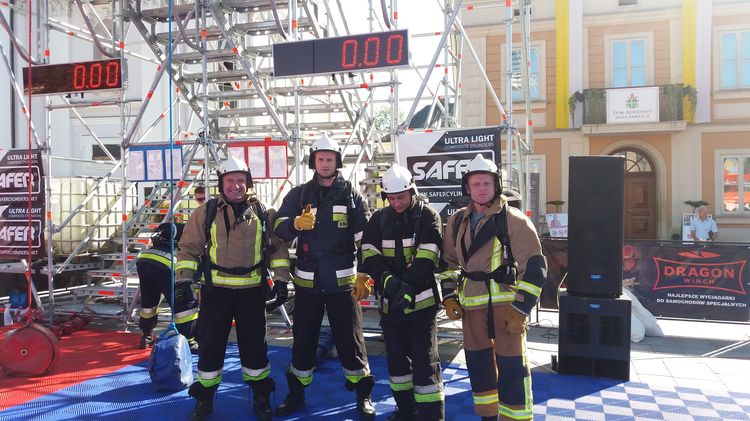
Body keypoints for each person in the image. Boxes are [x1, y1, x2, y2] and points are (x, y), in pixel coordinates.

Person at [175, 156, 291, 421]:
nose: (236, 186)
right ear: (221, 183)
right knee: (210, 346)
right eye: (230, 181)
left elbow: (278, 250)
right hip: (215, 293)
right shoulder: (206, 212)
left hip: (252, 293)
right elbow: (189, 248)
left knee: (255, 348)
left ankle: (261, 397)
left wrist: (282, 281)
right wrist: (183, 280)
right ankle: (204, 399)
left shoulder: (264, 212)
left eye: (241, 180)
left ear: (248, 183)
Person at [273, 134, 376, 420]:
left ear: (337, 161)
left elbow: (364, 239)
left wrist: (365, 273)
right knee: (303, 341)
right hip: (307, 285)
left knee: (351, 341)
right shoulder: (299, 194)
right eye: (321, 159)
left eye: (330, 159)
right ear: (314, 162)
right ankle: (296, 393)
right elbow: (279, 231)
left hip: (343, 285)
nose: (326, 163)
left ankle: (362, 394)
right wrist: (294, 223)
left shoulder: (350, 195)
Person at [438, 154, 547, 421]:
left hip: (505, 308)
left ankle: (516, 417)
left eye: (486, 183)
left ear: (495, 185)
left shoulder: (514, 220)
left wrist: (520, 309)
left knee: (511, 366)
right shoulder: (456, 222)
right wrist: (450, 296)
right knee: (478, 366)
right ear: (467, 188)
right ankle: (488, 415)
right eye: (476, 184)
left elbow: (535, 267)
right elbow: (448, 263)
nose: (482, 188)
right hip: (471, 307)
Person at [361, 164, 445, 421]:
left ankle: (431, 416)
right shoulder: (379, 219)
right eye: (392, 197)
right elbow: (368, 253)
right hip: (390, 305)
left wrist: (407, 287)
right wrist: (386, 279)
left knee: (425, 363)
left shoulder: (428, 216)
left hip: (421, 306)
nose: (397, 202)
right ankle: (406, 412)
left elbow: (428, 258)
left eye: (402, 196)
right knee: (397, 366)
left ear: (412, 191)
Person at [136, 222, 199, 352]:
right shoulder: (188, 231)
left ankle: (146, 336)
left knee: (149, 302)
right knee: (184, 302)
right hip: (167, 264)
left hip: (145, 259)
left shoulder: (168, 231)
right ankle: (189, 341)